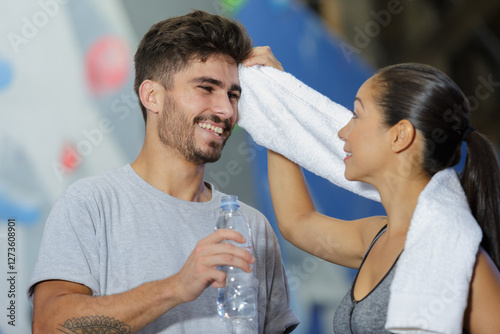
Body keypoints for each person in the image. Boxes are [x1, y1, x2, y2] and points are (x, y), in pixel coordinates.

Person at [28, 10, 298, 334]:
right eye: (206, 88)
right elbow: (49, 325)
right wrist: (176, 287)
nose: (226, 110)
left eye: (233, 95)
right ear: (151, 96)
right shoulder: (90, 205)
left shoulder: (253, 227)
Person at [263, 63, 500, 333]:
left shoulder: (464, 260)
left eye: (356, 115)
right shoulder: (375, 236)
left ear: (400, 136)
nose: (343, 132)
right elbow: (297, 221)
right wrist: (273, 101)